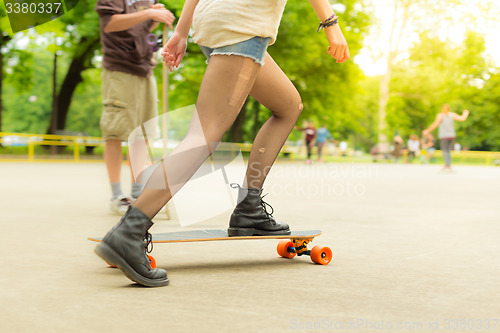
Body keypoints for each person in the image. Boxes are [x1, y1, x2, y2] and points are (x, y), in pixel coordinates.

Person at [95, 0, 350, 287]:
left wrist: (181, 31)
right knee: (203, 135)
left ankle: (249, 208)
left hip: (215, 20)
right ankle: (129, 232)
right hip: (243, 24)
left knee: (288, 106)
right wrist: (330, 24)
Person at [95, 0, 175, 214]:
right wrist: (148, 12)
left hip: (145, 69)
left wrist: (153, 18)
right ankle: (117, 196)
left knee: (142, 133)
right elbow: (109, 24)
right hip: (119, 69)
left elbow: (141, 29)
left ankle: (138, 194)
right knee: (115, 132)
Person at [423, 104, 469, 171]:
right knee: (448, 151)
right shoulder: (452, 114)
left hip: (444, 136)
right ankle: (448, 164)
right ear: (449, 109)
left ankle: (447, 165)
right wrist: (465, 113)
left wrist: (427, 130)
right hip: (451, 136)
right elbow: (462, 118)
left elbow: (435, 124)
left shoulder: (440, 115)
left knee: (445, 151)